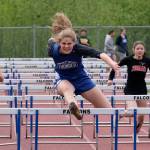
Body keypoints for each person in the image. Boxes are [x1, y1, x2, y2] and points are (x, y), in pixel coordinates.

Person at [48, 27, 120, 120]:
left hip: (81, 79)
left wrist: (112, 63)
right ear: (59, 43)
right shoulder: (53, 50)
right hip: (63, 79)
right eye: (63, 44)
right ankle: (73, 106)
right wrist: (52, 40)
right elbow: (51, 41)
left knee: (108, 109)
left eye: (69, 44)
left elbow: (99, 54)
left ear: (74, 43)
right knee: (67, 89)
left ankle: (123, 114)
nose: (66, 46)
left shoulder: (78, 48)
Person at [108, 41, 149, 134]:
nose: (139, 50)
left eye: (141, 49)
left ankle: (135, 135)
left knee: (142, 117)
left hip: (142, 90)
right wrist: (110, 78)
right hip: (130, 90)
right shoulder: (128, 59)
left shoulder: (147, 61)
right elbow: (115, 66)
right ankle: (120, 114)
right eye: (137, 49)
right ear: (133, 50)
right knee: (132, 112)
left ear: (144, 50)